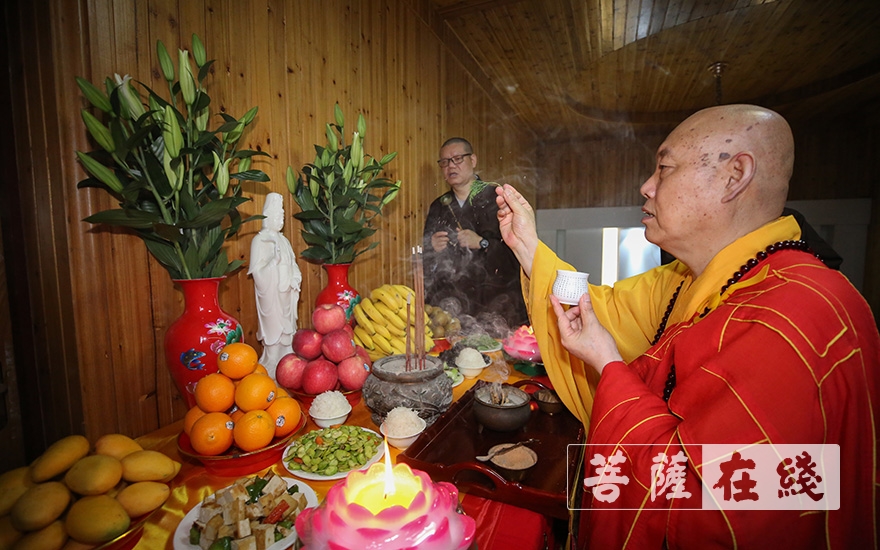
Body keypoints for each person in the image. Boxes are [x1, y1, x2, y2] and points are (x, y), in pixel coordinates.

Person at [495, 104, 879, 548]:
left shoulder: (797, 313)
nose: (647, 185)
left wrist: (608, 364)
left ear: (735, 176)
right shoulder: (687, 278)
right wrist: (527, 244)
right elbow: (599, 309)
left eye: (664, 167)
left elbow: (719, 514)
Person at [423, 138, 528, 334]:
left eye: (457, 159)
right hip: (453, 306)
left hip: (496, 302)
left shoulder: (498, 198)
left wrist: (483, 242)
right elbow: (427, 265)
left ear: (473, 160)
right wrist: (432, 247)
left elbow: (519, 253)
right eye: (444, 162)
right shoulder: (439, 207)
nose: (450, 166)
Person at [249, 193, 302, 378]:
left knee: (289, 327)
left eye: (283, 217)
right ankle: (272, 360)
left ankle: (287, 356)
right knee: (273, 327)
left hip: (286, 292)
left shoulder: (284, 241)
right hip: (270, 293)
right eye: (278, 216)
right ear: (267, 216)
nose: (281, 220)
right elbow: (257, 271)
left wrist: (295, 277)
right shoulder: (260, 240)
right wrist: (273, 262)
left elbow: (293, 263)